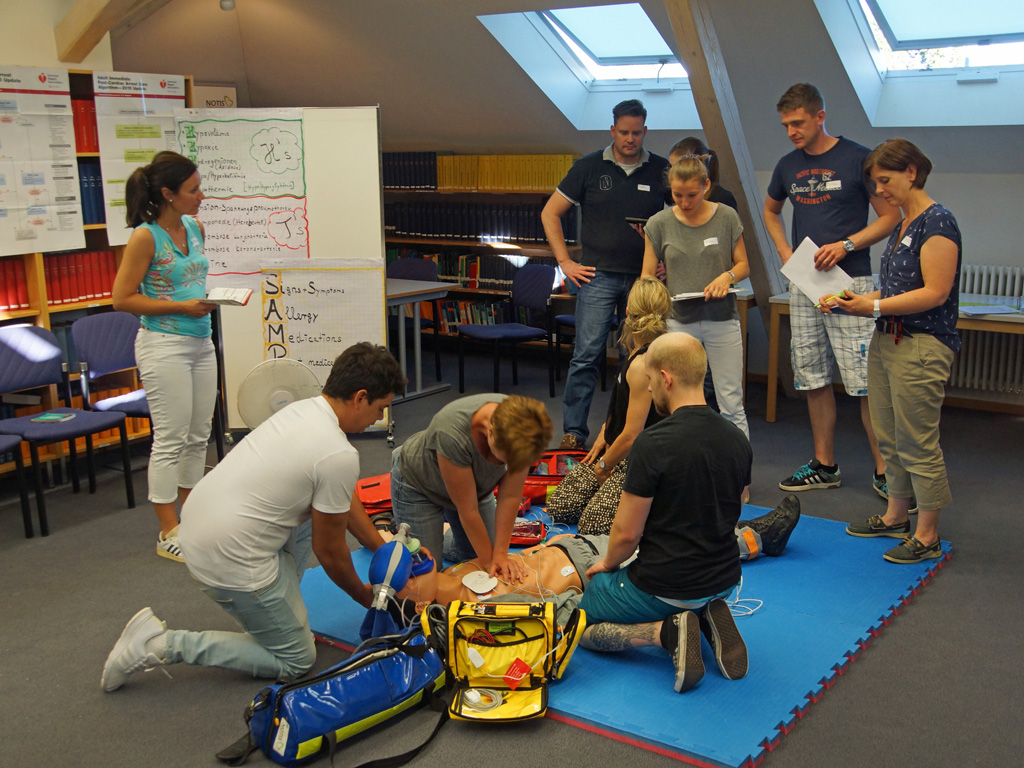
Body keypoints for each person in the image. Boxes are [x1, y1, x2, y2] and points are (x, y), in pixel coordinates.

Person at [100, 343, 408, 691]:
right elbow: (330, 551)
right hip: (225, 558)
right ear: (360, 397)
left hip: (202, 525)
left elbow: (342, 498)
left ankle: (275, 617)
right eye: (380, 408)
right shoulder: (337, 453)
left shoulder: (303, 409)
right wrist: (364, 597)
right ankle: (159, 644)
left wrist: (384, 547)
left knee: (321, 504)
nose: (378, 419)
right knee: (297, 659)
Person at [572, 332, 753, 693]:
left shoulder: (652, 443)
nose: (650, 389)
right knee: (684, 585)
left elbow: (626, 534)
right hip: (724, 578)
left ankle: (666, 633)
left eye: (650, 380)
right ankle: (705, 615)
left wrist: (608, 564)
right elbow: (737, 505)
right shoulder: (737, 438)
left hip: (665, 586)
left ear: (666, 378)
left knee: (579, 625)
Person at [822, 139, 961, 564]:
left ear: (911, 173)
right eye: (875, 183)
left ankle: (927, 534)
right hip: (888, 340)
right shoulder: (905, 224)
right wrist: (854, 300)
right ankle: (896, 515)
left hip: (921, 345)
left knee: (918, 441)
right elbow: (898, 290)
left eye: (885, 181)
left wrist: (873, 307)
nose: (879, 191)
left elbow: (935, 293)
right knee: (889, 435)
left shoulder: (938, 222)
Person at [762, 84, 900, 495]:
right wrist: (785, 251)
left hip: (851, 281)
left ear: (820, 117)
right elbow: (770, 210)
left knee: (865, 380)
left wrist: (847, 245)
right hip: (805, 283)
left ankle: (885, 472)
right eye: (786, 125)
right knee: (812, 375)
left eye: (798, 123)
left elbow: (890, 216)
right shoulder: (787, 165)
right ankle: (825, 465)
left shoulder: (857, 158)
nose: (792, 131)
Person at [541, 99, 670, 450]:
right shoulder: (587, 167)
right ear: (612, 130)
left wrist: (667, 261)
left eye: (637, 133)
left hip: (643, 280)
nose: (630, 139)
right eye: (624, 132)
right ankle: (574, 433)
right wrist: (565, 262)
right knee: (586, 356)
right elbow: (550, 213)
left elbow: (682, 218)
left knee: (637, 359)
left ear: (645, 131)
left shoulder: (661, 170)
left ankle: (628, 433)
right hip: (596, 277)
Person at [112, 151, 217, 562]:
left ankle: (191, 517)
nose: (201, 196)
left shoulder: (194, 227)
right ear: (169, 194)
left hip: (201, 342)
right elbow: (122, 298)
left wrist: (204, 302)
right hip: (164, 345)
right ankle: (168, 529)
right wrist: (181, 307)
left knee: (198, 434)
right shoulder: (145, 237)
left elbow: (190, 280)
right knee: (171, 438)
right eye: (193, 190)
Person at [546, 276, 670, 534]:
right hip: (619, 447)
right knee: (560, 506)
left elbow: (633, 436)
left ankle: (653, 506)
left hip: (639, 459)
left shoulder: (644, 364)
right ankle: (624, 502)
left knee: (592, 525)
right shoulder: (635, 351)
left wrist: (604, 467)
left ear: (627, 310)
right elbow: (623, 403)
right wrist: (606, 428)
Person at [643, 156, 751, 440]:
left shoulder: (726, 216)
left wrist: (727, 276)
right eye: (677, 195)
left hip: (722, 318)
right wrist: (647, 295)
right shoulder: (659, 223)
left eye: (692, 195)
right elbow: (646, 277)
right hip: (679, 322)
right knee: (677, 401)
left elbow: (743, 265)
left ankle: (739, 467)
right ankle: (684, 459)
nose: (684, 202)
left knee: (731, 400)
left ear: (706, 185)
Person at [390, 394, 552, 580]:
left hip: (475, 488)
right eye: (506, 460)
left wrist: (499, 555)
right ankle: (393, 536)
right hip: (420, 485)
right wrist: (490, 564)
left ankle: (441, 534)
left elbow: (510, 497)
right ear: (490, 432)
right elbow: (468, 510)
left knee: (486, 555)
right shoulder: (451, 431)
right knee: (427, 575)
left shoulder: (527, 431)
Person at [668, 137, 738, 209]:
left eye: (678, 166)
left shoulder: (722, 198)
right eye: (672, 167)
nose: (673, 171)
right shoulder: (678, 195)